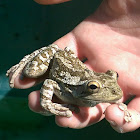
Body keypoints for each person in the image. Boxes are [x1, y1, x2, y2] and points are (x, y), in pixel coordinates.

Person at [10, 0, 140, 133]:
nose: (116, 90)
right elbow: (50, 83)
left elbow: (114, 93)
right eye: (93, 87)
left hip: (76, 69)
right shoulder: (67, 90)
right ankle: (25, 60)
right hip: (59, 60)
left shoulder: (106, 90)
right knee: (31, 72)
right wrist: (47, 103)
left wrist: (120, 105)